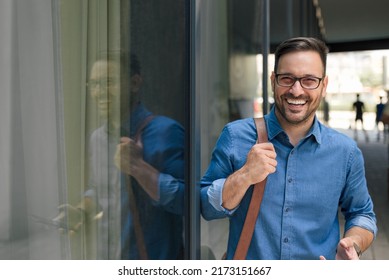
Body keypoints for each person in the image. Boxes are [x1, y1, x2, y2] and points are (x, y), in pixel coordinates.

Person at [200, 37, 377, 260]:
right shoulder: (235, 136)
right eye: (287, 78)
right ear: (273, 81)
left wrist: (353, 243)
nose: (296, 90)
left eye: (309, 80)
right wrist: (244, 175)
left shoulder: (346, 152)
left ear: (324, 86)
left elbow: (362, 214)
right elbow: (205, 207)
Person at [57, 52, 185, 260]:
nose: (100, 92)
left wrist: (138, 168)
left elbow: (188, 201)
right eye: (94, 84)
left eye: (109, 82)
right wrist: (81, 211)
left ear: (135, 83)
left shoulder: (166, 132)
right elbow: (100, 191)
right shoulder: (97, 138)